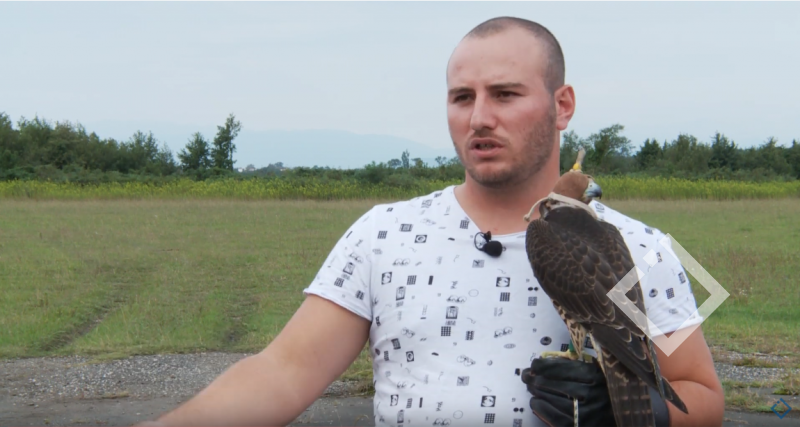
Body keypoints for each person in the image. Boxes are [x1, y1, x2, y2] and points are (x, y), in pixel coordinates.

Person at [137, 16, 724, 427]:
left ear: (562, 105)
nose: (480, 117)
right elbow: (281, 373)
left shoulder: (643, 246)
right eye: (462, 97)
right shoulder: (382, 234)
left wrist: (639, 411)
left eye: (505, 94)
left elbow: (704, 396)